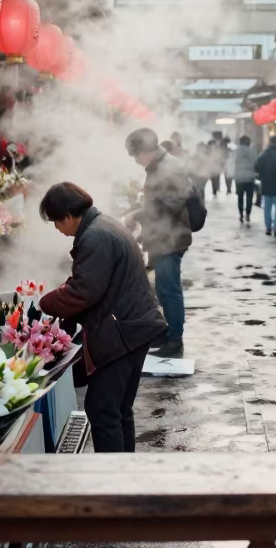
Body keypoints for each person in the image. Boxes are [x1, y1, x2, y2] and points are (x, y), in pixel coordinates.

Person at [39, 182, 168, 453]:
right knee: (119, 409)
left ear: (68, 215)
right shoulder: (105, 225)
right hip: (134, 327)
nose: (57, 229)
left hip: (122, 332)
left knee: (102, 410)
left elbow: (85, 291)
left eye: (55, 221)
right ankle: (123, 477)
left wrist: (46, 302)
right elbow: (91, 281)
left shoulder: (94, 236)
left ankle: (112, 483)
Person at [124, 127, 193, 358]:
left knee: (169, 290)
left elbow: (170, 204)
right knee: (163, 289)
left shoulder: (168, 167)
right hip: (163, 237)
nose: (135, 161)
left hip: (171, 239)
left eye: (136, 155)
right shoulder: (159, 165)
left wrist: (138, 215)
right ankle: (167, 334)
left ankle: (175, 341)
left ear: (147, 150)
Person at [231, 136, 259, 226]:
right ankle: (248, 213)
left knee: (240, 197)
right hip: (250, 178)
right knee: (249, 197)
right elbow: (257, 163)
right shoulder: (252, 152)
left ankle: (241, 214)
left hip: (239, 178)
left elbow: (231, 163)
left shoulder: (235, 152)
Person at [207, 132, 224, 198]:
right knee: (214, 179)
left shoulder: (217, 150)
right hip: (212, 168)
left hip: (215, 168)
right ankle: (215, 190)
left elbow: (221, 159)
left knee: (215, 179)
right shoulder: (213, 150)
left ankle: (215, 190)